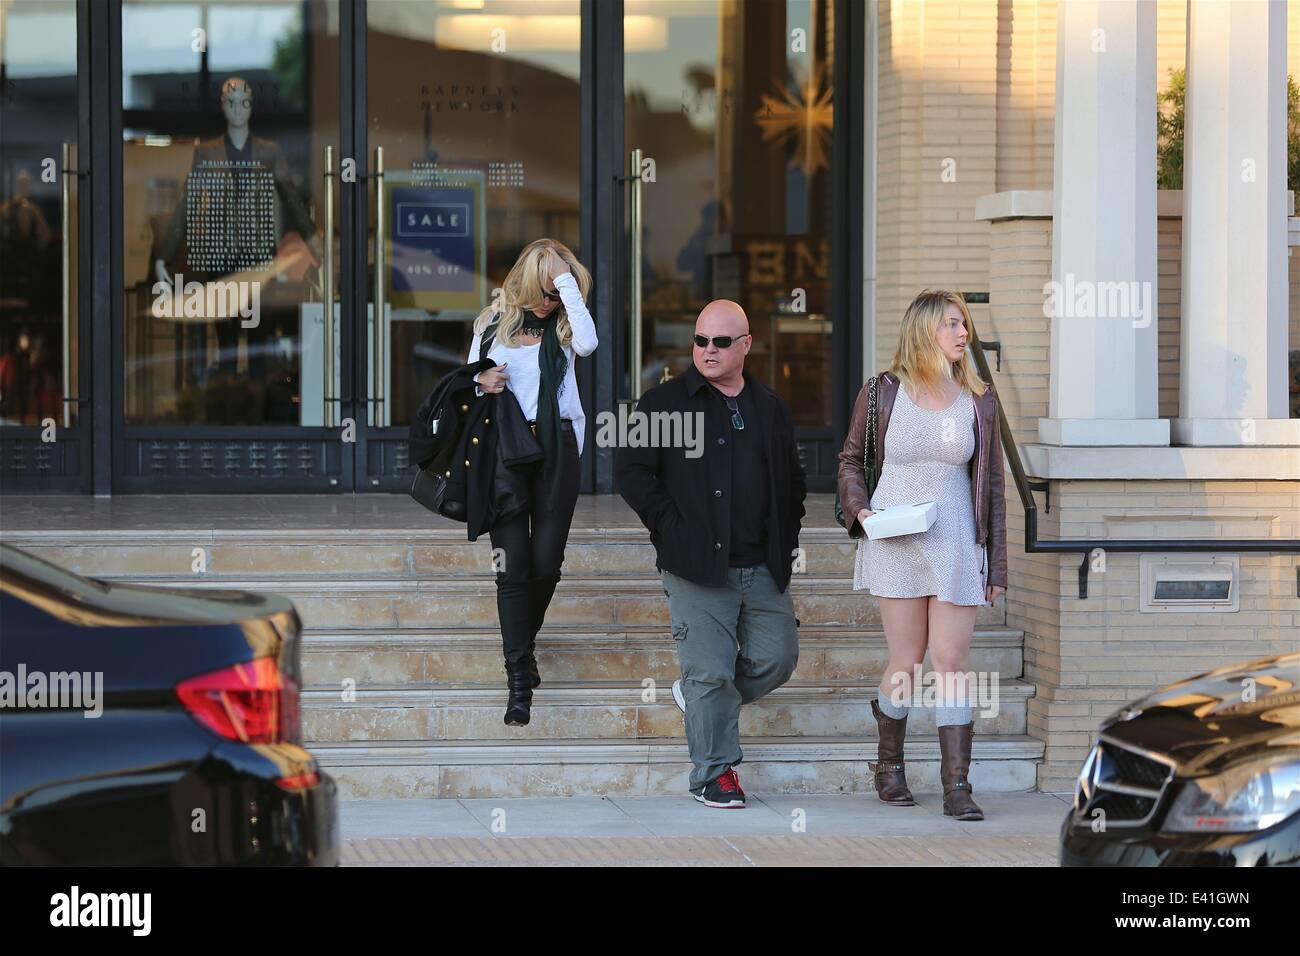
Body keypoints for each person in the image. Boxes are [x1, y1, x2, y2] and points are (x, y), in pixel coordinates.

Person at [615, 300, 806, 809]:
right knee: (710, 672)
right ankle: (714, 774)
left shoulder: (769, 406)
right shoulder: (662, 405)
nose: (708, 350)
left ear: (745, 345)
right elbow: (631, 472)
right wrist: (670, 527)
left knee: (778, 657)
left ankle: (699, 701)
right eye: (701, 340)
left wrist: (785, 539)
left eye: (721, 341)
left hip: (761, 564)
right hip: (696, 565)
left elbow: (792, 481)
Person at [837, 289, 1007, 821]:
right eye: (953, 325)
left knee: (951, 662)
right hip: (895, 537)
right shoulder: (882, 391)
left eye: (965, 324)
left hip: (956, 538)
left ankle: (957, 784)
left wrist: (996, 564)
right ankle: (888, 767)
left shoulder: (978, 398)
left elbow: (995, 487)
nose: (963, 334)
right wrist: (861, 513)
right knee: (906, 662)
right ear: (924, 330)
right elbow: (849, 460)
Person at [469, 239, 596, 726]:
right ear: (524, 282)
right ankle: (518, 678)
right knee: (512, 568)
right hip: (504, 453)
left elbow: (589, 343)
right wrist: (482, 383)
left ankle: (522, 647)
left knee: (546, 563)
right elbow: (467, 379)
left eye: (557, 288)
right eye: (542, 288)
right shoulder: (491, 324)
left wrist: (565, 281)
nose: (549, 299)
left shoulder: (566, 327)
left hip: (558, 450)